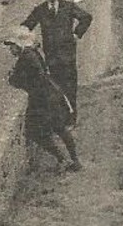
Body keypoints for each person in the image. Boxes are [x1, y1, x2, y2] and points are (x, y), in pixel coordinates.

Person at [5, 28, 80, 172]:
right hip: (52, 93)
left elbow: (22, 80)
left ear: (19, 45)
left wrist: (15, 78)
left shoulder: (26, 58)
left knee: (35, 132)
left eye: (12, 46)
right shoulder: (33, 54)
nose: (10, 49)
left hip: (43, 100)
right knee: (60, 128)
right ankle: (74, 161)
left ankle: (63, 159)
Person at [21, 0, 93, 124]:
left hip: (68, 55)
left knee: (70, 87)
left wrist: (76, 33)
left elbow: (86, 17)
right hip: (51, 57)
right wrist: (31, 39)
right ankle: (59, 120)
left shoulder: (68, 7)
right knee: (55, 88)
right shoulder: (40, 10)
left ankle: (71, 120)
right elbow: (26, 26)